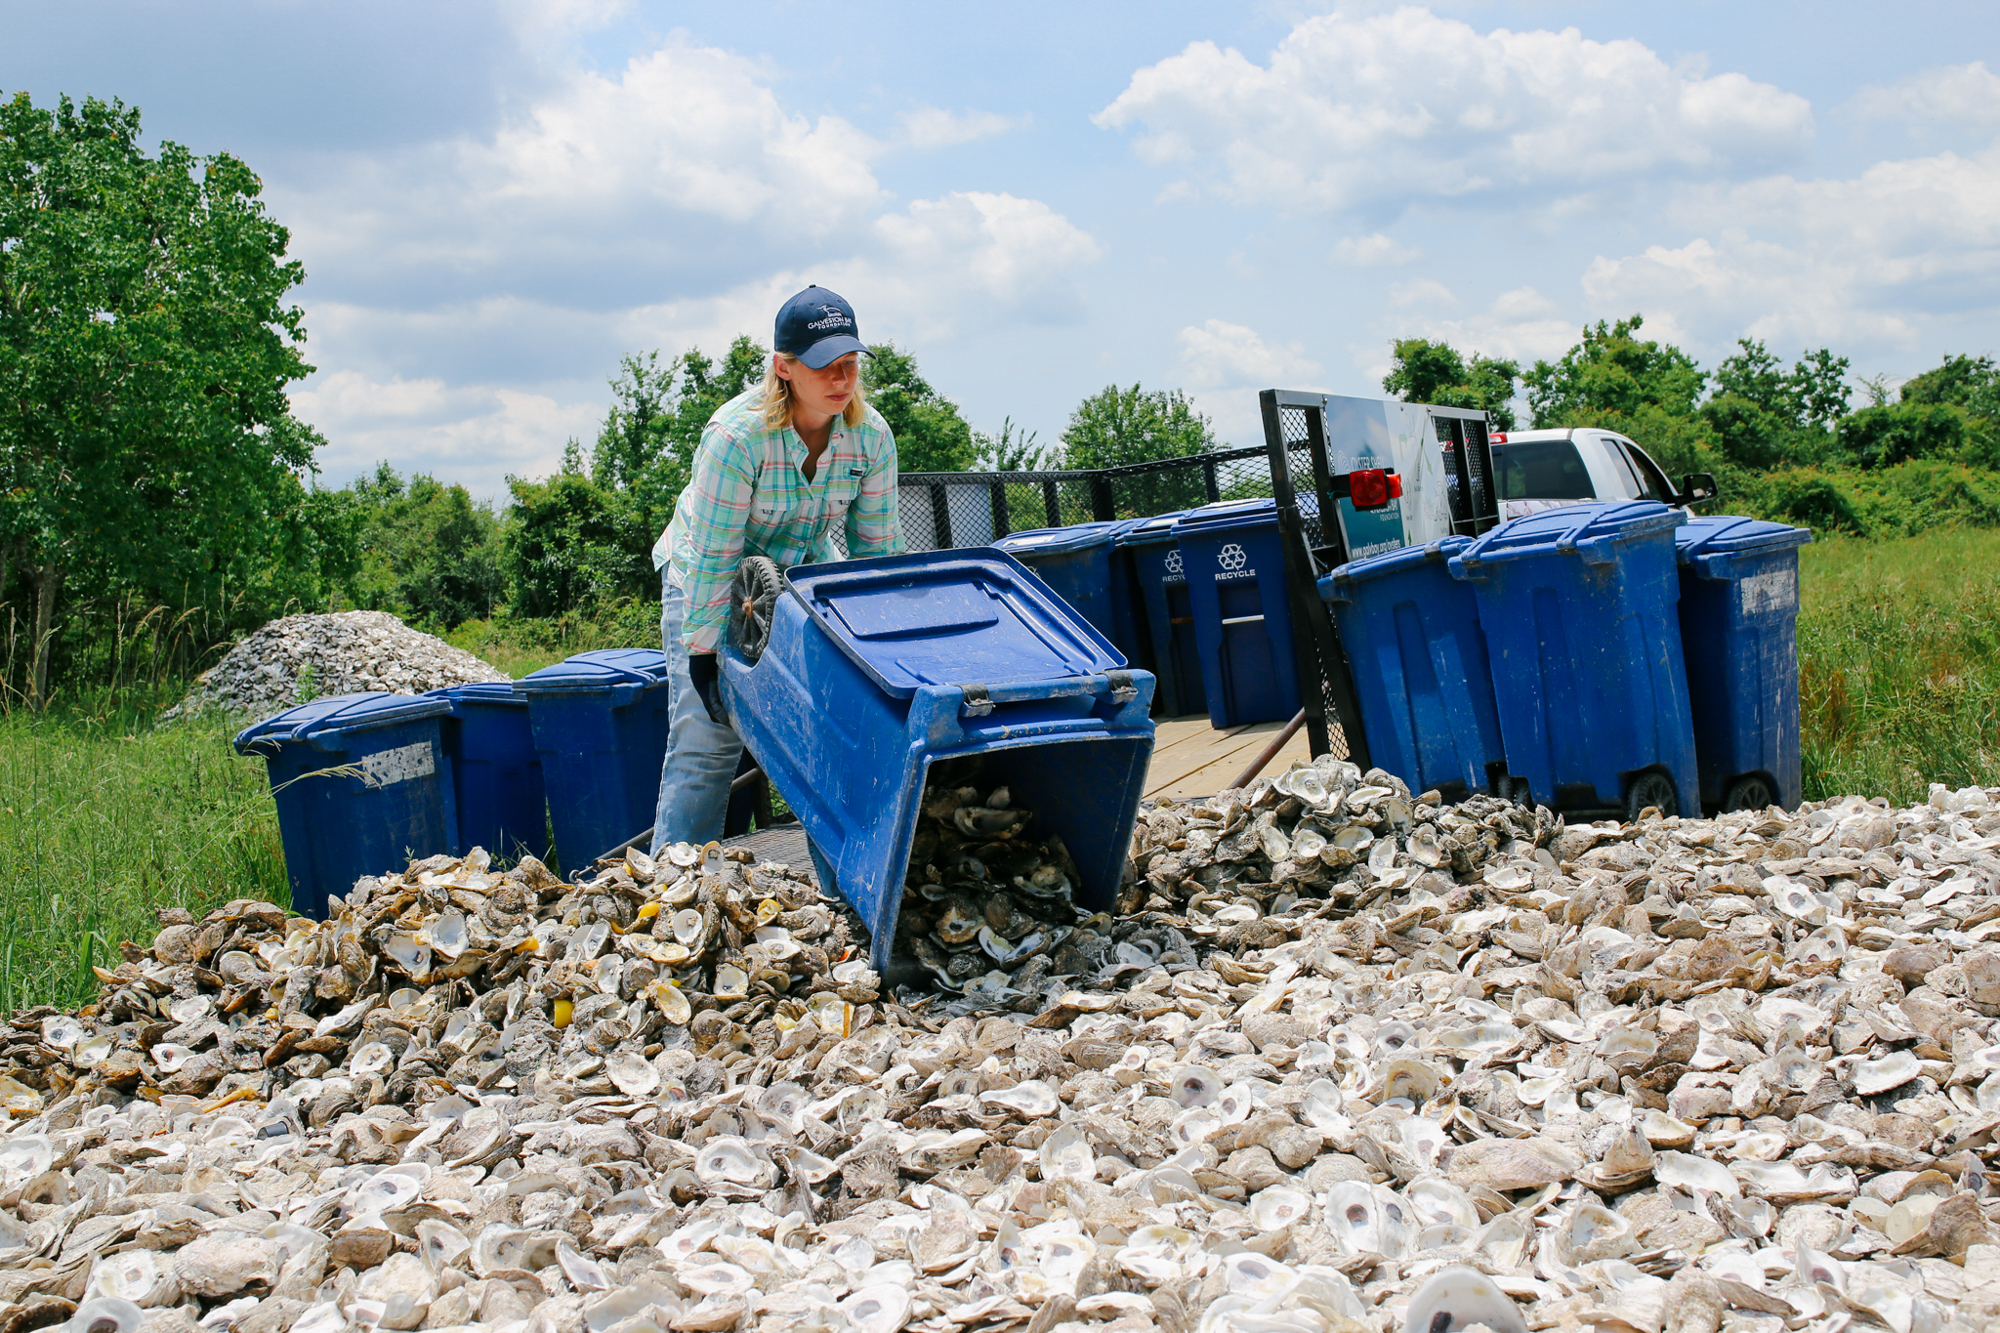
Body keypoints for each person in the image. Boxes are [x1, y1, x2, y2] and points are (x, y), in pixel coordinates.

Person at [649, 286, 902, 890]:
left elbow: (875, 557)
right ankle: (669, 897)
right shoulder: (738, 437)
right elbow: (713, 555)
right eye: (823, 365)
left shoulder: (871, 437)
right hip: (709, 578)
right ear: (783, 368)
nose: (841, 378)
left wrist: (880, 651)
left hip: (796, 579)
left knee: (822, 731)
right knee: (707, 740)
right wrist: (705, 653)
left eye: (850, 362)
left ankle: (844, 892)